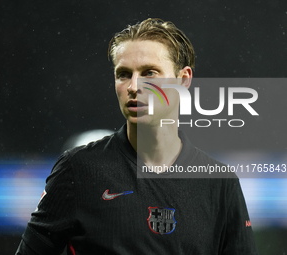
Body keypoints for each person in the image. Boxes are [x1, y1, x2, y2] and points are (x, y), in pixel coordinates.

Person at [15, 18, 258, 254]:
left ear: (183, 80)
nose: (133, 86)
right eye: (123, 74)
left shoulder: (220, 183)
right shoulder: (77, 170)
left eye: (149, 72)